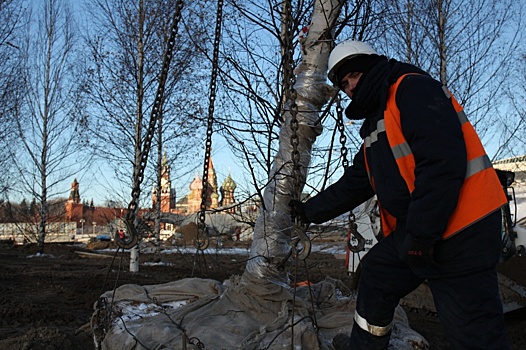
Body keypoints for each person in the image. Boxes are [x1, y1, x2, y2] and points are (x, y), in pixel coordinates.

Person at [289, 40, 510, 349]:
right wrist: (309, 211)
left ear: (371, 65)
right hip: (424, 229)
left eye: (353, 75)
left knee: (472, 330)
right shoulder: (377, 123)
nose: (349, 87)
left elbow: (441, 164)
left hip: (464, 228)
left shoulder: (412, 90)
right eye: (343, 84)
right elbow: (356, 182)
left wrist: (420, 236)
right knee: (378, 274)